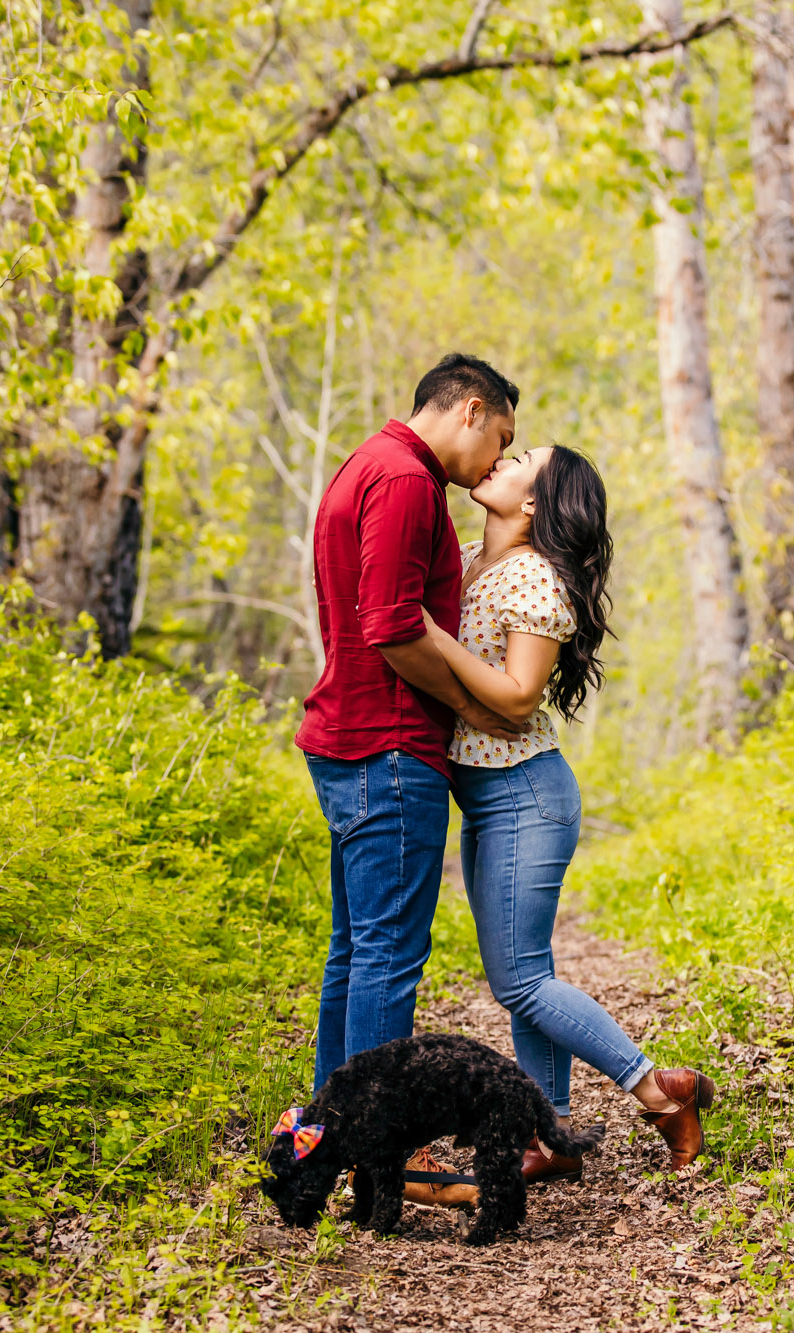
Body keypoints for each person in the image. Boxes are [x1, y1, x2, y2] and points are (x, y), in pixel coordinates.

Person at [417, 443, 716, 1179]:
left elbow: (517, 695)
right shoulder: (470, 560)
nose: (497, 458)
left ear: (533, 505)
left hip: (525, 792)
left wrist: (429, 636)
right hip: (489, 796)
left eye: (518, 459)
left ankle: (658, 1089)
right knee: (526, 971)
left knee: (518, 979)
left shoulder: (534, 578)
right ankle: (547, 1135)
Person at [295, 354, 524, 1206]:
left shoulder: (367, 465)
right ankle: (383, 1158)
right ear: (471, 410)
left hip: (353, 744)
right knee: (387, 958)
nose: (497, 461)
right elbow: (392, 628)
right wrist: (481, 704)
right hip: (386, 750)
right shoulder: (405, 480)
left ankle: (325, 1138)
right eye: (500, 439)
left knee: (357, 954)